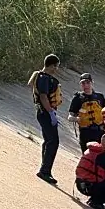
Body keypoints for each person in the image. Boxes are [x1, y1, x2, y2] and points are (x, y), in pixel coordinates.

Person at [28, 54, 63, 184]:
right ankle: (45, 171)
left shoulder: (44, 77)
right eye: (56, 66)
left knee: (48, 140)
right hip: (45, 112)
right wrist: (50, 113)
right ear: (52, 65)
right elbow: (43, 97)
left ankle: (44, 169)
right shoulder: (43, 78)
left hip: (44, 112)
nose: (56, 69)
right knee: (53, 141)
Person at [67, 73, 105, 152]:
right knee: (87, 155)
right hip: (86, 133)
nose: (85, 85)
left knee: (101, 155)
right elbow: (70, 117)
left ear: (92, 83)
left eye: (88, 82)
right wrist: (77, 119)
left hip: (100, 132)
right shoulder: (77, 98)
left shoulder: (100, 97)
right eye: (83, 83)